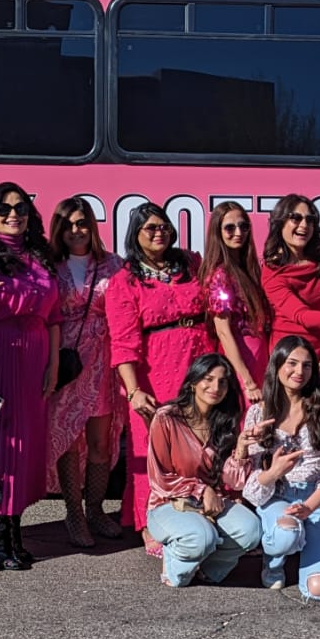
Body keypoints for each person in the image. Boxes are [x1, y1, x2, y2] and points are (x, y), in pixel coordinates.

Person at [0, 185, 60, 572]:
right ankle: (0, 539)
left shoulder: (39, 255)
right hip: (1, 355)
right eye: (4, 209)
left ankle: (16, 534)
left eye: (20, 207)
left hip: (35, 356)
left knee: (27, 449)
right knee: (6, 447)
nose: (13, 214)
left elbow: (54, 316)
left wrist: (53, 365)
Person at [106, 203, 212, 539]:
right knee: (155, 448)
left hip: (198, 362)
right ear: (135, 234)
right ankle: (149, 521)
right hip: (156, 368)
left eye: (163, 225)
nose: (159, 232)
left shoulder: (191, 264)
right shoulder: (125, 281)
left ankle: (201, 513)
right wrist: (134, 390)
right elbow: (122, 341)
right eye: (150, 227)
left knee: (198, 444)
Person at [239, 335, 320, 599]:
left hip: (319, 500)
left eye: (307, 365)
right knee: (287, 533)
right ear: (277, 365)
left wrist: (309, 506)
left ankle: (306, 549)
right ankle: (276, 555)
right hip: (278, 495)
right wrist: (274, 472)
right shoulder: (258, 413)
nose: (299, 372)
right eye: (292, 363)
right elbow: (252, 491)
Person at [46, 196, 125, 546]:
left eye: (81, 223)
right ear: (59, 231)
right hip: (66, 361)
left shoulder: (113, 265)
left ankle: (95, 509)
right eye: (69, 225)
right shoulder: (51, 266)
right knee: (66, 439)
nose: (76, 231)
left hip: (103, 364)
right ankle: (73, 514)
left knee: (99, 442)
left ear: (92, 226)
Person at [144, 354, 261, 587]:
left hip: (211, 504)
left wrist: (240, 450)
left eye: (223, 381)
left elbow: (234, 482)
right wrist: (201, 489)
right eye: (208, 379)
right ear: (193, 381)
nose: (215, 387)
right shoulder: (167, 418)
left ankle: (209, 569)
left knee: (251, 531)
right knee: (201, 538)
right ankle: (176, 565)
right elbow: (160, 479)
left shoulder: (225, 421)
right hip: (168, 504)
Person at [202, 201, 270, 401]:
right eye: (230, 228)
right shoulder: (219, 275)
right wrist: (247, 381)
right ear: (218, 231)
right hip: (239, 359)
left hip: (260, 355)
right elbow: (223, 331)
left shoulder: (250, 270)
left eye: (244, 226)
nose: (238, 232)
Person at [260, 193, 320, 356]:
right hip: (290, 356)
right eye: (296, 218)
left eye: (310, 220)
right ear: (281, 223)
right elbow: (301, 315)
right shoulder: (273, 270)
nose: (304, 225)